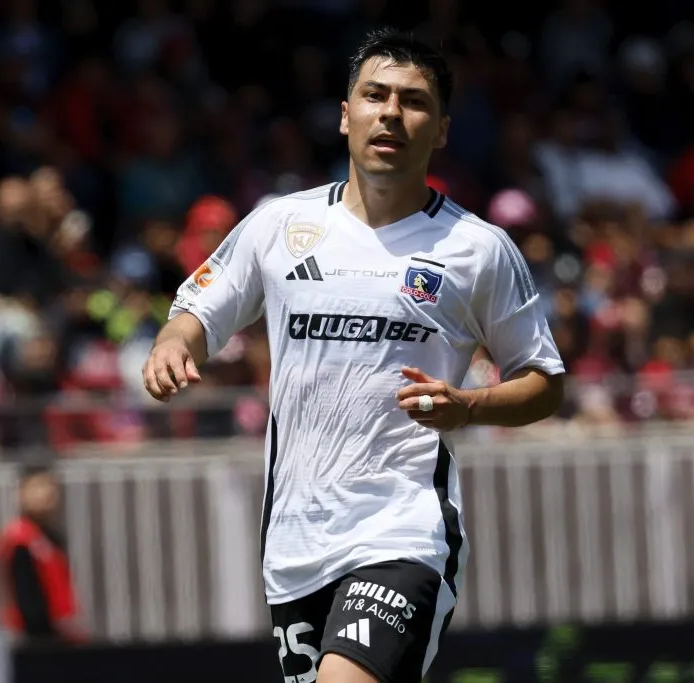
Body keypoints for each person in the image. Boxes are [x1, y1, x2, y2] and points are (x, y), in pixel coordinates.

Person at [142, 28, 565, 683]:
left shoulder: (478, 248)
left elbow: (544, 380)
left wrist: (469, 405)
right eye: (375, 95)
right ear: (346, 115)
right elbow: (198, 311)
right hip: (295, 544)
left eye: (413, 101)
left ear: (441, 130)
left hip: (403, 530)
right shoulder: (279, 224)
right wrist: (173, 343)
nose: (391, 112)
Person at [0, 465, 86, 643]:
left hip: (61, 632)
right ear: (21, 493)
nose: (45, 494)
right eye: (37, 487)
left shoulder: (52, 537)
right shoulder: (18, 540)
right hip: (34, 637)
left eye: (50, 487)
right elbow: (24, 596)